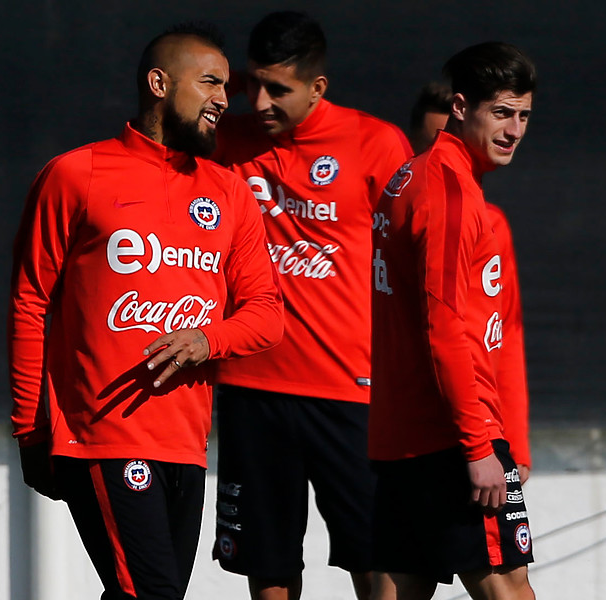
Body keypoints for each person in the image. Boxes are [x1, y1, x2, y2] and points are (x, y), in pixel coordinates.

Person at [8, 23, 283, 600]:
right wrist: (31, 433)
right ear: (159, 83)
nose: (222, 100)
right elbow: (30, 304)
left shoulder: (229, 191)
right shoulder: (74, 175)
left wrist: (209, 340)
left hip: (185, 440)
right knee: (152, 593)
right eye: (209, 82)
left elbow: (266, 313)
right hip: (102, 433)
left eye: (226, 86)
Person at [209, 11, 412, 600]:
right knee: (267, 566)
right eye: (253, 85)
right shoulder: (225, 144)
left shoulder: (375, 143)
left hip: (350, 389)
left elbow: (407, 266)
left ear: (318, 87)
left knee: (379, 559)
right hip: (252, 384)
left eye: (281, 89)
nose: (262, 101)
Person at [368, 42, 537, 600]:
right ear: (461, 108)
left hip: (401, 437)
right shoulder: (449, 194)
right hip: (452, 437)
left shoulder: (407, 179)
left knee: (400, 587)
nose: (514, 130)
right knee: (508, 588)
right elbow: (444, 330)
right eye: (502, 113)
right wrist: (479, 446)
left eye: (524, 116)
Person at [408, 82, 533, 482]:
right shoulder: (393, 218)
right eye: (430, 147)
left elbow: (505, 334)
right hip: (411, 434)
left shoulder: (491, 223)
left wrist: (514, 440)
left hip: (476, 434)